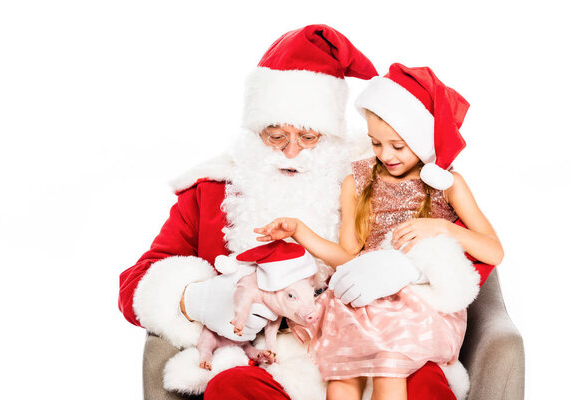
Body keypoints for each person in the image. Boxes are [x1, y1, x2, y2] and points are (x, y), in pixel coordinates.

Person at [118, 25, 493, 400]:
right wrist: (194, 299)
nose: (292, 151)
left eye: (309, 136)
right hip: (271, 359)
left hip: (370, 346)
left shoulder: (374, 170)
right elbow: (136, 282)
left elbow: (473, 246)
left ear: (330, 135)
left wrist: (409, 266)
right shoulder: (211, 189)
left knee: (422, 385)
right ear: (254, 131)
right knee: (230, 388)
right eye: (276, 136)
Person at [254, 63, 503, 400]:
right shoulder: (357, 180)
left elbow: (493, 251)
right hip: (364, 298)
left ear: (421, 138)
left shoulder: (448, 184)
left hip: (417, 304)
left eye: (398, 146)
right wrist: (300, 231)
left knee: (389, 366)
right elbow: (347, 254)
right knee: (343, 376)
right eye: (376, 144)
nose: (386, 155)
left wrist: (442, 227)